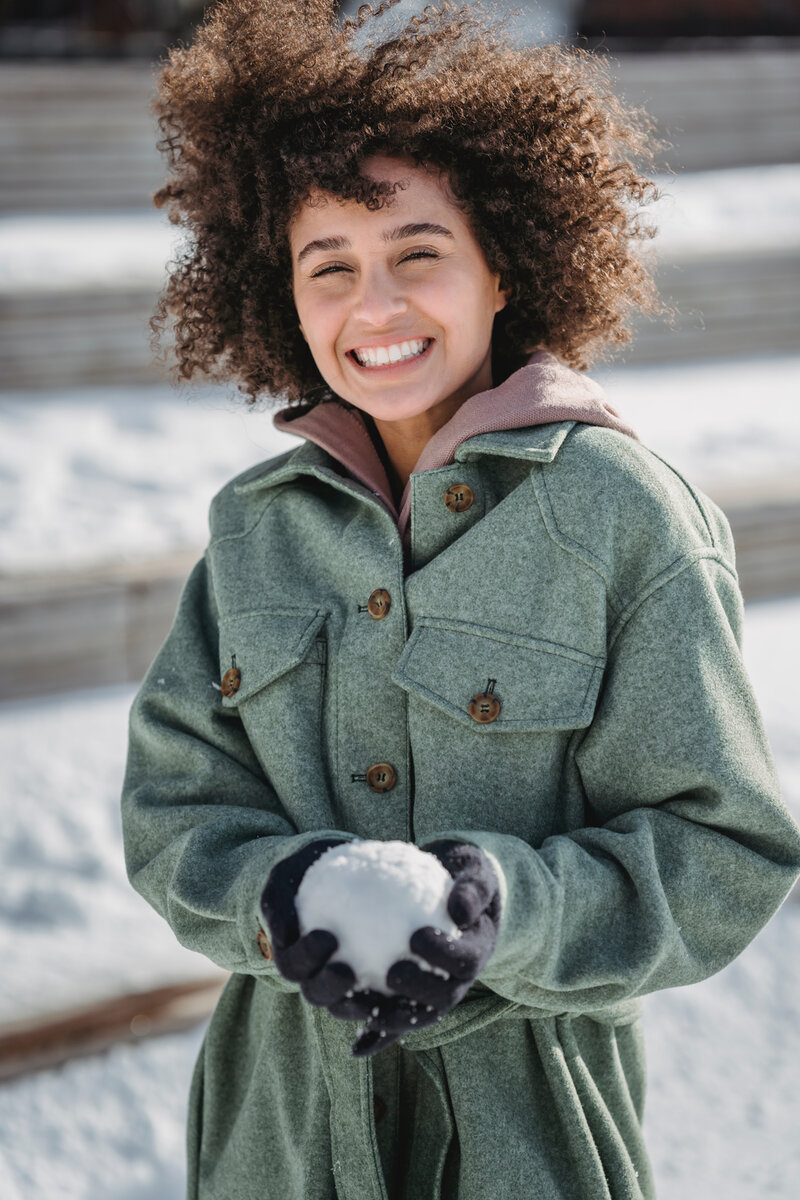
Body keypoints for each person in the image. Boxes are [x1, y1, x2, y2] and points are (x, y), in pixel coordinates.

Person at [121, 2, 800, 1198]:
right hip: (272, 1142)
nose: (373, 307)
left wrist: (509, 912)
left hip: (526, 1137)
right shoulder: (252, 530)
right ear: (282, 296)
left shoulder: (622, 517)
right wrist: (274, 898)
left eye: (417, 253)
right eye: (328, 267)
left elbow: (719, 848)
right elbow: (175, 812)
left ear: (504, 268)